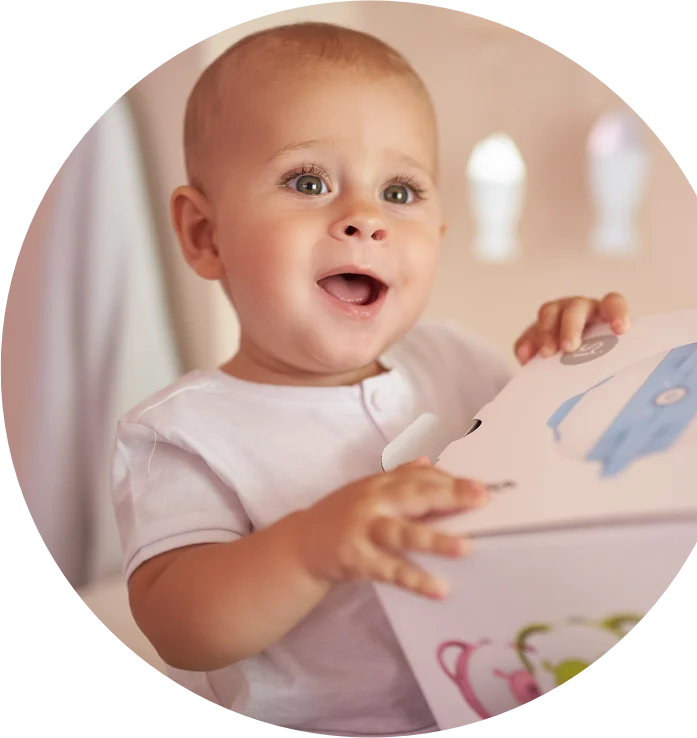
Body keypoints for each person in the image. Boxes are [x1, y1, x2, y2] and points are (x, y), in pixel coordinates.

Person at [111, 21, 631, 737]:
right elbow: (181, 627)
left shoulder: (460, 362)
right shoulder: (182, 430)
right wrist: (306, 546)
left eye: (400, 190)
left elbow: (555, 478)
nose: (363, 218)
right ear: (206, 234)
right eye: (308, 181)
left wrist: (577, 365)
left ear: (437, 238)